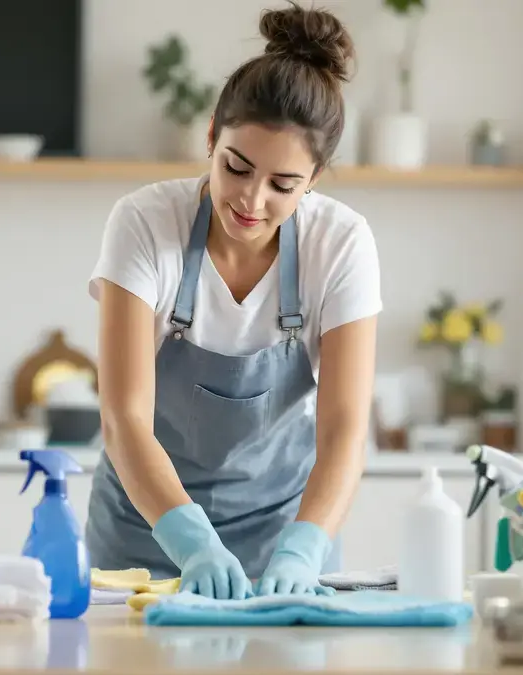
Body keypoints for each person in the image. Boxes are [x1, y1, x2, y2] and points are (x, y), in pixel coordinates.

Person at [84, 2, 381, 600]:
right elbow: (124, 418)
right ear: (211, 137)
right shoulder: (145, 223)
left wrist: (303, 549)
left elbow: (345, 429)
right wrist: (192, 542)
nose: (251, 200)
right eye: (236, 167)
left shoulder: (340, 243)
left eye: (283, 185)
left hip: (283, 541)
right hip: (144, 539)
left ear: (314, 179)